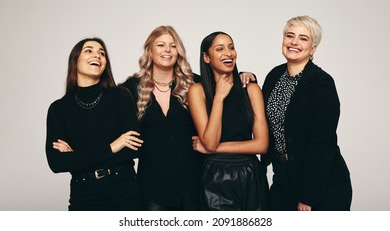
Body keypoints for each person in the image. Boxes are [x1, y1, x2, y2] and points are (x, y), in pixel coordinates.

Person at [120, 26, 255, 211]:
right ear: (150, 50)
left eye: (173, 46)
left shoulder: (195, 84)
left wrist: (244, 75)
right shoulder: (130, 89)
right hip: (152, 187)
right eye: (161, 45)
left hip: (195, 182)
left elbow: (222, 81)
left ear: (179, 52)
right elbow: (102, 112)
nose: (167, 50)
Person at [261, 15, 352, 211]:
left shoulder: (321, 83)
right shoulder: (274, 76)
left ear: (313, 48)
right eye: (289, 35)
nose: (294, 42)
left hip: (320, 184)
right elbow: (259, 116)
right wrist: (247, 78)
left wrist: (307, 197)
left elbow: (321, 142)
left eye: (303, 38)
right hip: (283, 177)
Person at [46, 38, 143, 211]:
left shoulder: (120, 96)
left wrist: (77, 156)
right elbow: (57, 163)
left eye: (102, 53)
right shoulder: (58, 109)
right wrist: (112, 147)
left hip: (124, 189)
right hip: (84, 192)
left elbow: (134, 149)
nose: (97, 55)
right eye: (89, 50)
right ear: (75, 59)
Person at [188, 31, 269, 211]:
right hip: (216, 176)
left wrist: (214, 149)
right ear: (206, 57)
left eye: (231, 47)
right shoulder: (197, 91)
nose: (228, 53)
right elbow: (210, 141)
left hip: (251, 174)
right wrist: (219, 98)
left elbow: (262, 145)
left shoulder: (251, 89)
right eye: (220, 49)